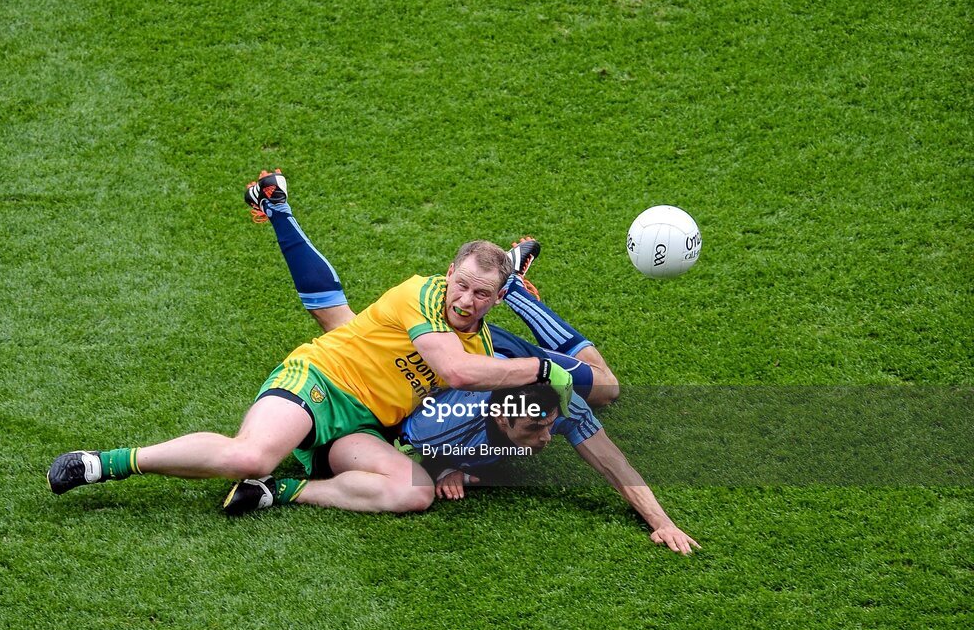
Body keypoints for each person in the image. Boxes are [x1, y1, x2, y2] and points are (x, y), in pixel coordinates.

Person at [46, 170, 575, 515]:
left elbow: (447, 409)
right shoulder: (420, 293)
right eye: (462, 284)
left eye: (482, 293)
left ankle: (285, 491)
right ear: (447, 274)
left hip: (363, 426)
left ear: (493, 299)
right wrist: (539, 369)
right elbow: (456, 373)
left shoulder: (480, 349)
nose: (465, 299)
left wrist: (452, 464)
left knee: (412, 493)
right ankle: (104, 462)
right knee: (251, 454)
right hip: (320, 381)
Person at [224, 185, 699, 554]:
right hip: (470, 359)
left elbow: (606, 454)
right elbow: (432, 409)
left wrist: (661, 521)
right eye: (541, 426)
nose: (548, 438)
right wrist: (444, 463)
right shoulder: (446, 416)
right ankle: (509, 287)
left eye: (550, 425)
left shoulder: (527, 413)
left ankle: (505, 280)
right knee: (606, 385)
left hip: (471, 353)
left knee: (604, 391)